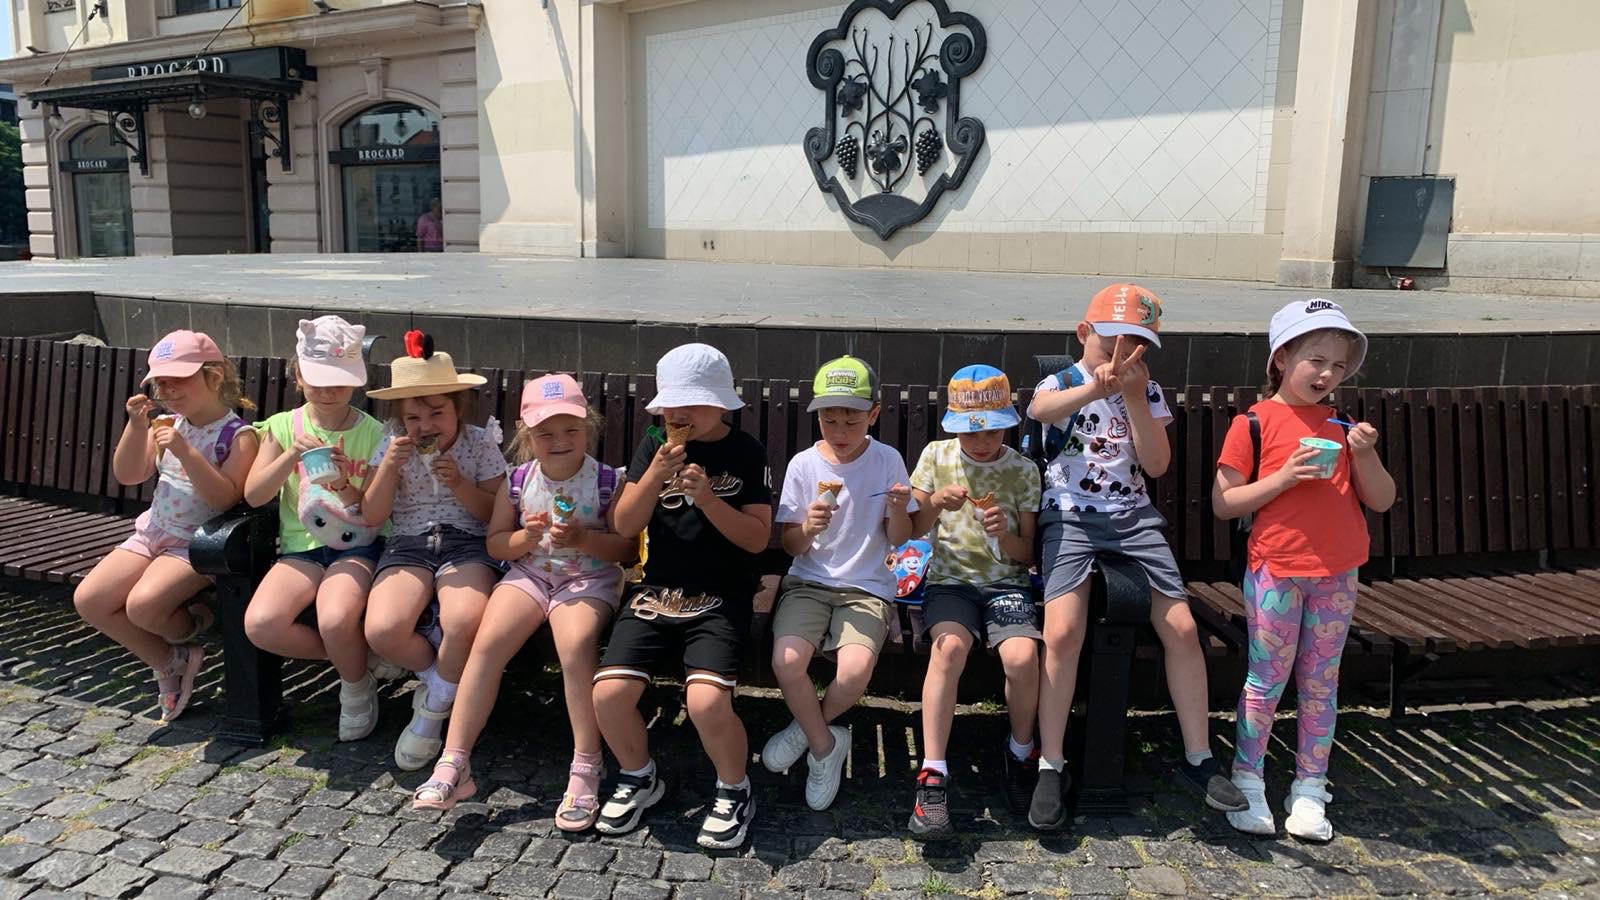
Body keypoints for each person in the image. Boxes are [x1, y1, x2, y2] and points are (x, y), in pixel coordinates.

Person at [1025, 283, 1247, 830]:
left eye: (1136, 346)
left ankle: (1198, 756)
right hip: (1069, 515)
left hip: (1133, 518)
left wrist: (1131, 397)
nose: (1123, 357)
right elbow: (1038, 409)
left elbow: (1156, 463)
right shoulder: (1063, 380)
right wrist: (1093, 388)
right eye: (1112, 344)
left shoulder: (1146, 391)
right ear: (1085, 334)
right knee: (1062, 631)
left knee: (1182, 628)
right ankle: (1051, 763)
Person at [412, 375, 634, 831]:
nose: (560, 440)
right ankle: (454, 760)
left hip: (587, 579)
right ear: (527, 435)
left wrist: (584, 539)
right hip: (530, 573)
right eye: (545, 433)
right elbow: (496, 544)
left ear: (588, 426)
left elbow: (626, 550)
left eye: (570, 429)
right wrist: (525, 538)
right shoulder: (516, 482)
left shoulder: (608, 481)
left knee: (575, 649)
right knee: (487, 643)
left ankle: (587, 763)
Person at [1213, 299, 1395, 842]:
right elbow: (1225, 503)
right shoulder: (1252, 423)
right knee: (1266, 679)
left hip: (1338, 572)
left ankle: (1310, 786)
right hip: (1276, 568)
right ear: (1281, 358)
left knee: (1321, 681)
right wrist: (1285, 477)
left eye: (1338, 366)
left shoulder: (1343, 426)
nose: (1327, 374)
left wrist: (1365, 455)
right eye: (1316, 360)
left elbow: (1382, 499)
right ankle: (1248, 779)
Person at [591, 343, 772, 850]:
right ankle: (639, 775)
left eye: (691, 403)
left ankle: (734, 787)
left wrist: (708, 499)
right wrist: (653, 474)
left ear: (720, 403)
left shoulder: (746, 451)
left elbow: (757, 539)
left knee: (706, 701)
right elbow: (624, 525)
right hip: (656, 590)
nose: (678, 414)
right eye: (672, 403)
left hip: (721, 593)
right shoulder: (654, 442)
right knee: (607, 695)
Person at [74, 330, 258, 722]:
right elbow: (129, 474)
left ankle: (197, 623)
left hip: (198, 544)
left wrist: (183, 449)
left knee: (143, 607)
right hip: (153, 531)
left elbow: (224, 499)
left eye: (179, 380)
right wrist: (136, 426)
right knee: (90, 600)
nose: (168, 391)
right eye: (161, 382)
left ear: (214, 377)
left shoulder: (238, 436)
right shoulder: (167, 424)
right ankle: (171, 660)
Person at [762, 357, 915, 810]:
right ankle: (826, 746)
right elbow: (791, 545)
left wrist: (899, 509)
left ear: (874, 414)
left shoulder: (887, 460)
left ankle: (806, 730)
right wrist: (807, 528)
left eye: (852, 420)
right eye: (830, 420)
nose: (840, 431)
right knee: (787, 661)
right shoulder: (804, 465)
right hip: (809, 581)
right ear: (818, 418)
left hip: (867, 586)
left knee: (853, 672)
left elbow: (899, 538)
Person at [905, 364, 1041, 841]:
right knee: (948, 649)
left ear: (1008, 424)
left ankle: (1020, 751)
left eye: (992, 431)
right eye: (969, 432)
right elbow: (910, 530)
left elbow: (1029, 554)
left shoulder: (1023, 471)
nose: (981, 442)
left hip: (1007, 585)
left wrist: (1005, 536)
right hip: (950, 582)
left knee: (1022, 657)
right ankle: (933, 770)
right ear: (954, 427)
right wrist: (933, 504)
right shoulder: (936, 456)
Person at [361, 331, 505, 771]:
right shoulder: (390, 443)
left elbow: (496, 514)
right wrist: (388, 469)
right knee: (383, 631)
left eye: (437, 413)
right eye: (413, 417)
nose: (425, 426)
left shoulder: (479, 443)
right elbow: (371, 515)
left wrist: (458, 483)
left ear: (458, 408)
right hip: (408, 542)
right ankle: (441, 678)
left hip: (467, 542)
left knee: (464, 621)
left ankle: (430, 714)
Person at [243, 316, 389, 741]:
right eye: (317, 380)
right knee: (262, 624)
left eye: (338, 382)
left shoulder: (374, 433)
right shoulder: (283, 427)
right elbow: (255, 494)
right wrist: (290, 455)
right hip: (300, 549)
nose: (327, 391)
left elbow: (376, 511)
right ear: (299, 378)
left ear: (355, 383)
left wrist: (344, 483)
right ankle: (358, 666)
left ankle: (353, 687)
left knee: (336, 616)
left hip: (357, 546)